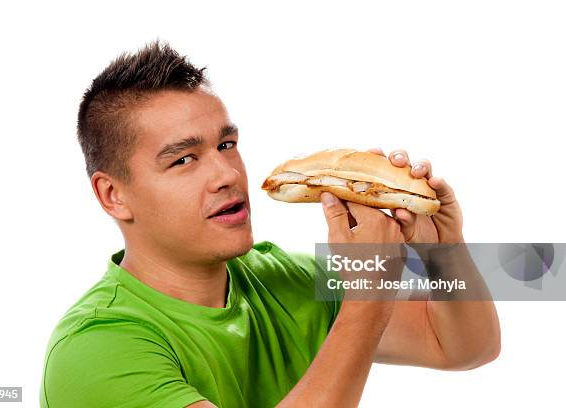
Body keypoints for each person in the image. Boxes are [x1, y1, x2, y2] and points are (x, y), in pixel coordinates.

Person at [40, 39, 500, 408]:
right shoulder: (96, 348)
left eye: (226, 144)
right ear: (112, 195)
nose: (227, 175)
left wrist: (443, 251)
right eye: (183, 159)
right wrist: (367, 295)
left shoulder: (281, 280)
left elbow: (464, 347)